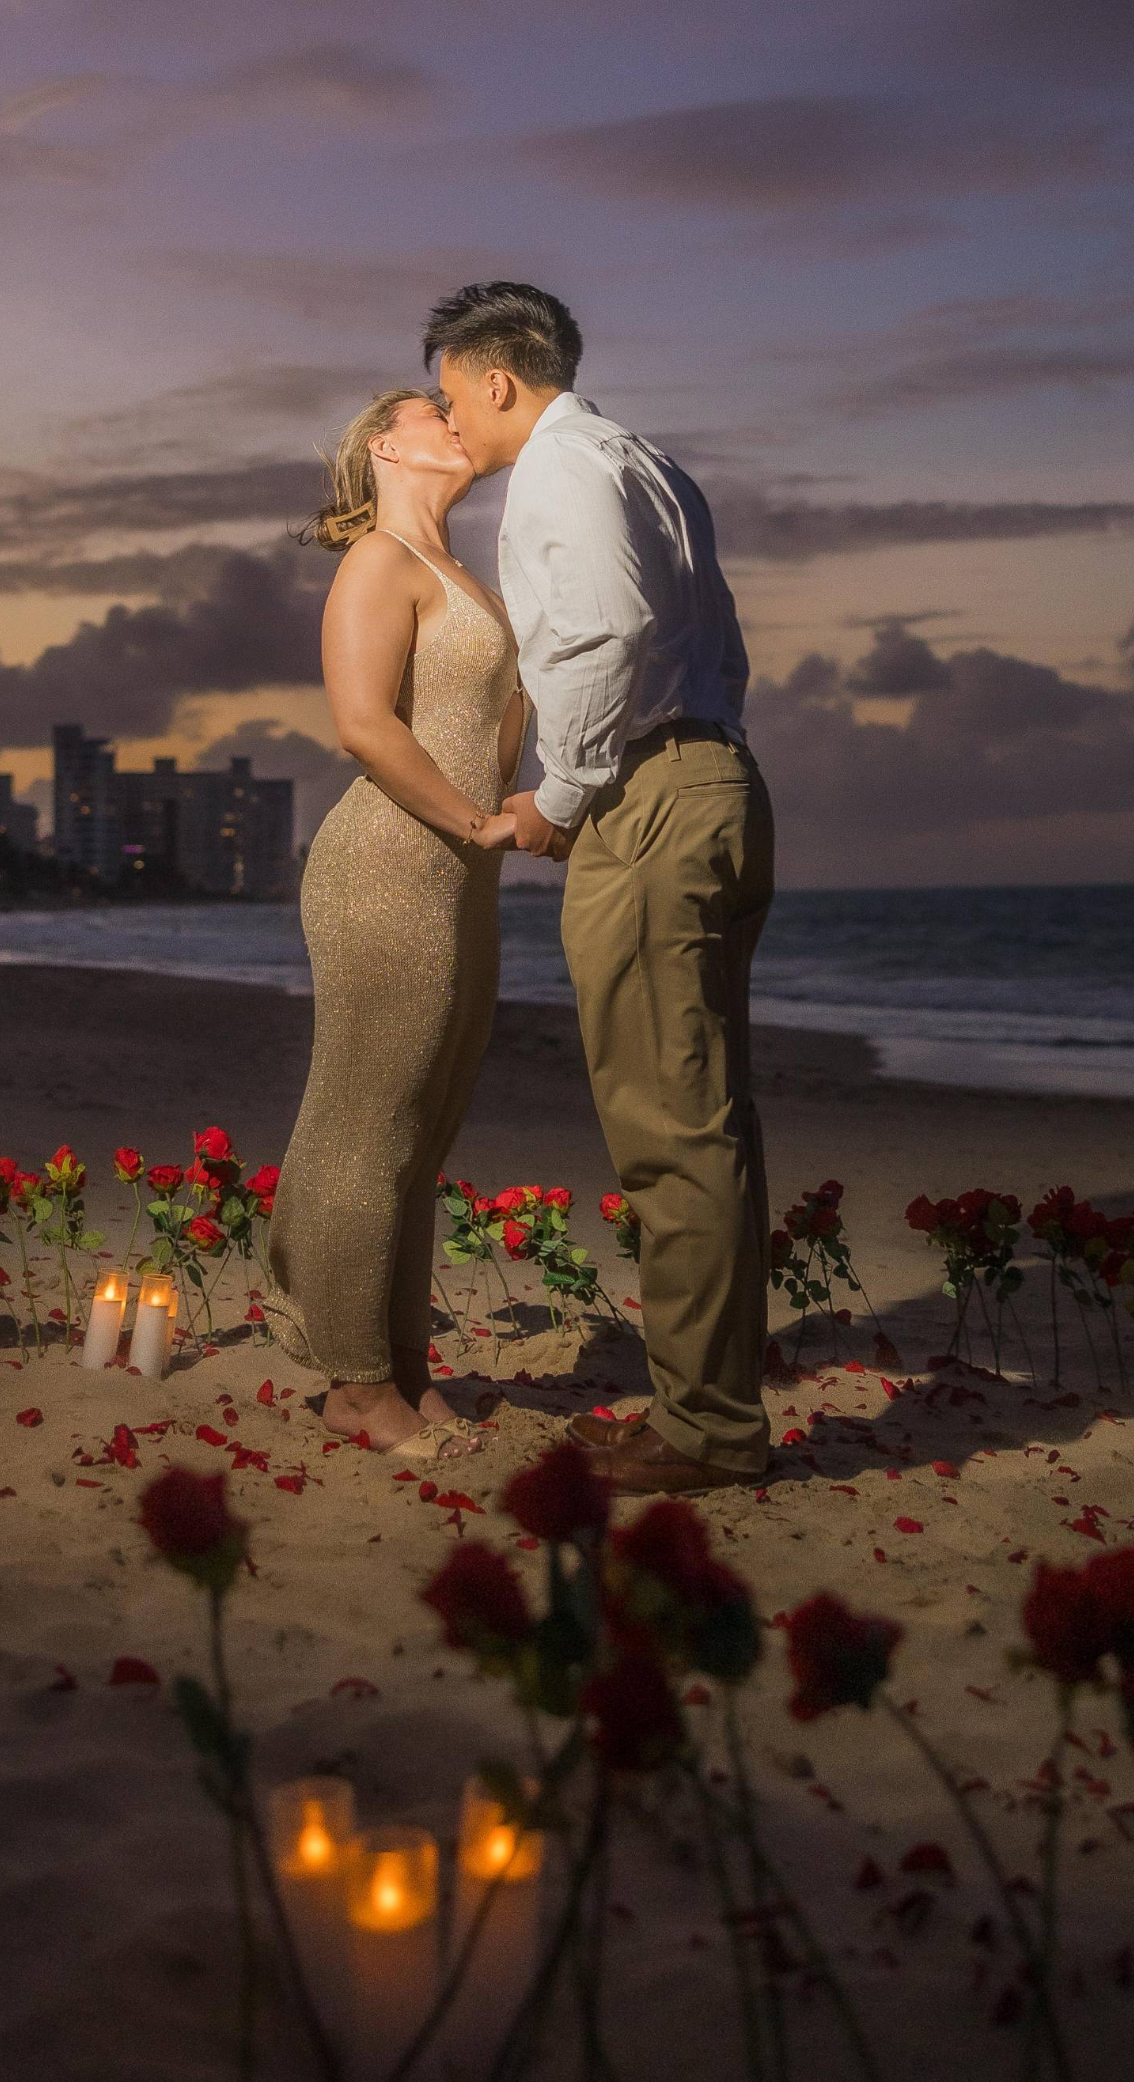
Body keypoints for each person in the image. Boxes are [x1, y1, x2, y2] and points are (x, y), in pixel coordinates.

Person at [427, 282, 774, 1496]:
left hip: (653, 801)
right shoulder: (646, 462)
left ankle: (709, 1429)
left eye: (449, 396)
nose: (447, 419)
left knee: (670, 1129)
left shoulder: (558, 470)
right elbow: (718, 647)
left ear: (498, 381)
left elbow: (608, 633)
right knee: (709, 1119)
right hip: (714, 780)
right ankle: (705, 1406)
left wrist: (564, 793)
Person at [263, 389, 525, 1452]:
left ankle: (403, 1365)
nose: (456, 417)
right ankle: (355, 1385)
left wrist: (505, 815)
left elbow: (490, 733)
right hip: (386, 868)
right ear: (386, 445)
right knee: (365, 1128)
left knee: (421, 1133)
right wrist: (477, 820)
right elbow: (364, 726)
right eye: (433, 409)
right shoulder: (379, 559)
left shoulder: (469, 576)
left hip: (460, 876)